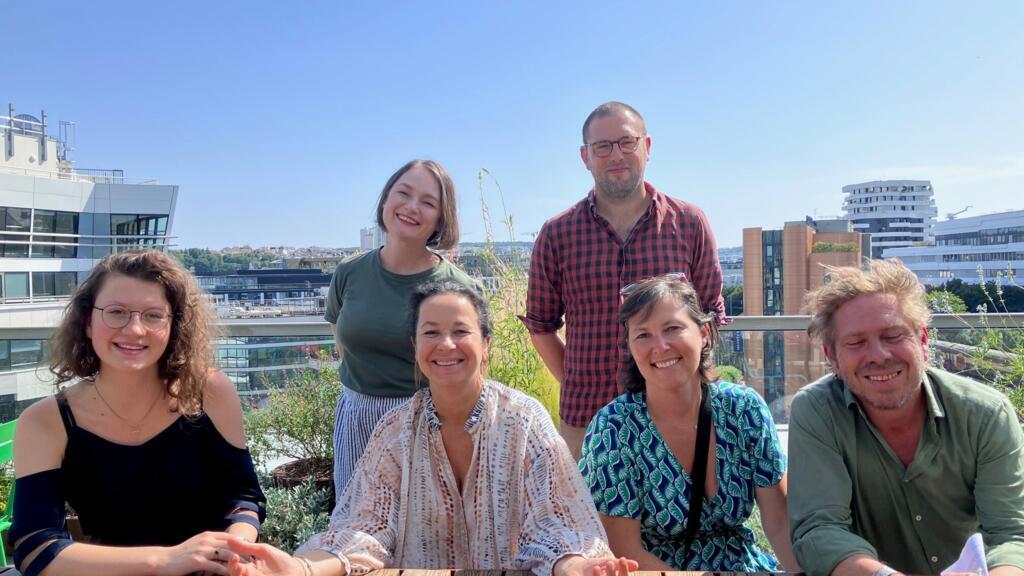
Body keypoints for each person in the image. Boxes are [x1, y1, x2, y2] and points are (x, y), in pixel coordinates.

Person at [224, 281, 636, 576]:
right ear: (414, 347)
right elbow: (362, 529)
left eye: (461, 331)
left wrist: (577, 566)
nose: (446, 344)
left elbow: (557, 524)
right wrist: (300, 569)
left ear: (486, 344)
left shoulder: (524, 421)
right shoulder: (396, 431)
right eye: (431, 333)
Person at [10, 250, 266, 576]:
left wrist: (235, 547)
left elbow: (243, 496)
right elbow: (36, 547)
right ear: (88, 322)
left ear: (175, 326)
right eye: (116, 312)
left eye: (153, 315)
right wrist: (166, 560)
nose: (134, 330)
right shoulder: (45, 421)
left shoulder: (211, 392)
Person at [788, 259, 1024, 576]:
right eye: (856, 342)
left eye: (893, 335)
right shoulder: (817, 412)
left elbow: (1011, 532)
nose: (879, 355)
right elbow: (819, 532)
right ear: (833, 358)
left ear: (923, 341)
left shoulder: (985, 412)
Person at [523, 101, 726, 458]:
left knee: (683, 514)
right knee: (588, 515)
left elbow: (710, 317)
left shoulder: (690, 223)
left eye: (626, 142)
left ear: (646, 147)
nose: (616, 155)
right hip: (587, 420)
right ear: (585, 157)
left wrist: (687, 386)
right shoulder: (557, 234)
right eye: (602, 147)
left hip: (679, 416)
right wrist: (576, 380)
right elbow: (541, 325)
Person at [580, 274, 799, 572]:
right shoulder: (614, 429)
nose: (660, 346)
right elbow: (625, 553)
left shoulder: (744, 409)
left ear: (704, 332)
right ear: (630, 346)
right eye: (643, 335)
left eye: (672, 328)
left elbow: (779, 522)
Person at [325, 159, 479, 493]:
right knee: (355, 526)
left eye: (428, 202)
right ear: (385, 199)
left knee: (427, 528)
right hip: (356, 416)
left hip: (428, 420)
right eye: (403, 193)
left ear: (441, 217)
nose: (411, 207)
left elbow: (473, 372)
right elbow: (341, 337)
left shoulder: (458, 288)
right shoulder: (349, 272)